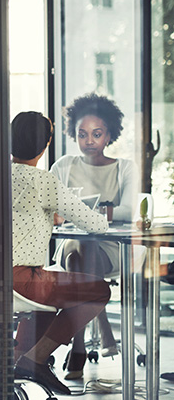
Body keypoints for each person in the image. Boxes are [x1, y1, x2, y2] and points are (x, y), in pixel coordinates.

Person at [0, 111, 111, 395]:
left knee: (50, 283)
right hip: (23, 281)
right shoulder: (44, 181)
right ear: (46, 144)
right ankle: (35, 360)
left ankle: (20, 362)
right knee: (98, 290)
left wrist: (46, 215)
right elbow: (96, 223)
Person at [50, 93, 137, 378]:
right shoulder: (64, 166)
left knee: (84, 253)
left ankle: (78, 348)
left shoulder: (125, 167)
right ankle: (99, 332)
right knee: (78, 249)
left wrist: (85, 210)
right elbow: (50, 207)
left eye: (97, 134)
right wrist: (103, 209)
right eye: (82, 134)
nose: (89, 141)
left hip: (111, 248)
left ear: (109, 134)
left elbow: (128, 211)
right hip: (70, 246)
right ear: (73, 134)